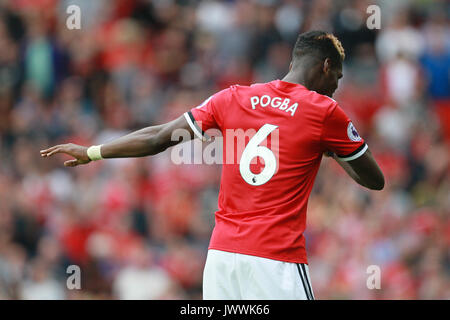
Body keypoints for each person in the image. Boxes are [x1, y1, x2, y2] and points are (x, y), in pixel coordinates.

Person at [40, 30, 385, 300]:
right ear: (326, 67)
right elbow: (374, 179)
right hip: (275, 257)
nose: (334, 91)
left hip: (221, 258)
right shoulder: (323, 112)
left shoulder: (233, 96)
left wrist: (94, 152)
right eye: (336, 80)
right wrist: (335, 151)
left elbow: (160, 136)